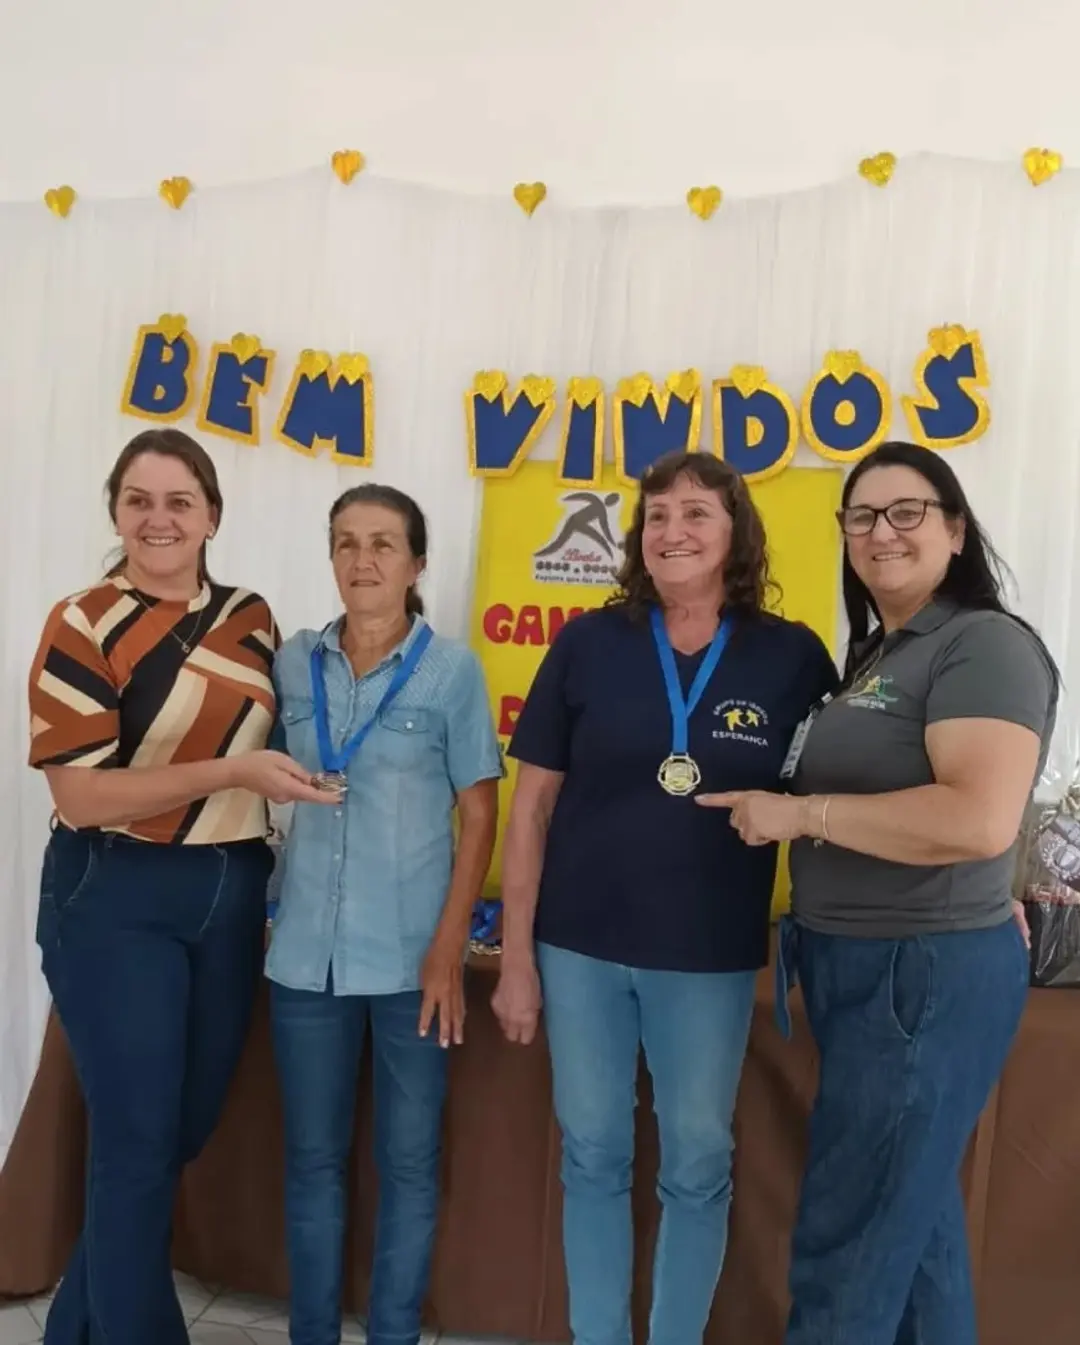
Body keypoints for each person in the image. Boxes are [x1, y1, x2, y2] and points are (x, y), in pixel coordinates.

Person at [697, 440, 1060, 1345]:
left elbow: (979, 817)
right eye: (861, 516)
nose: (880, 531)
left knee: (848, 1244)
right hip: (865, 967)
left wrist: (802, 815)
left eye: (906, 512)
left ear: (955, 530)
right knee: (915, 1227)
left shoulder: (984, 644)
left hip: (921, 974)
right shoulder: (879, 650)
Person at [491, 449, 839, 1345]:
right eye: (655, 516)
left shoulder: (793, 656)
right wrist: (518, 959)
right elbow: (529, 808)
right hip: (580, 949)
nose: (672, 531)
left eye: (696, 514)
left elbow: (839, 794)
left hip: (709, 956)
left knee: (696, 1163)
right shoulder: (586, 644)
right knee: (594, 1156)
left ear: (736, 534)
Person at [29, 428, 332, 1345]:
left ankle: (71, 1331)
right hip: (113, 894)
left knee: (174, 1134)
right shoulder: (83, 620)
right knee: (135, 1146)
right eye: (139, 501)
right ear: (116, 512)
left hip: (231, 893)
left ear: (212, 515)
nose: (159, 519)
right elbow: (81, 794)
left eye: (179, 502)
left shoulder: (252, 615)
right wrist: (232, 775)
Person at [268, 483, 502, 1345]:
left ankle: (394, 1333)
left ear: (416, 562)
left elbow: (479, 811)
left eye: (382, 544)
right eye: (345, 542)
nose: (361, 560)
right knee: (312, 1162)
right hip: (304, 960)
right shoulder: (293, 662)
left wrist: (449, 947)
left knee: (408, 1163)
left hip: (414, 962)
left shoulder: (453, 670)